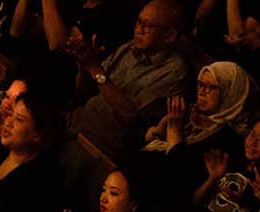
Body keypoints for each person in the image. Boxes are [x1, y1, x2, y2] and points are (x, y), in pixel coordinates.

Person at [63, 1, 192, 154]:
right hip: (76, 124)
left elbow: (132, 120)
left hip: (102, 145)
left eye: (147, 25)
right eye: (138, 22)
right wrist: (83, 63)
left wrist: (94, 68)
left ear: (169, 35)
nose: (139, 29)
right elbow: (83, 93)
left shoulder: (174, 72)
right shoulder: (130, 48)